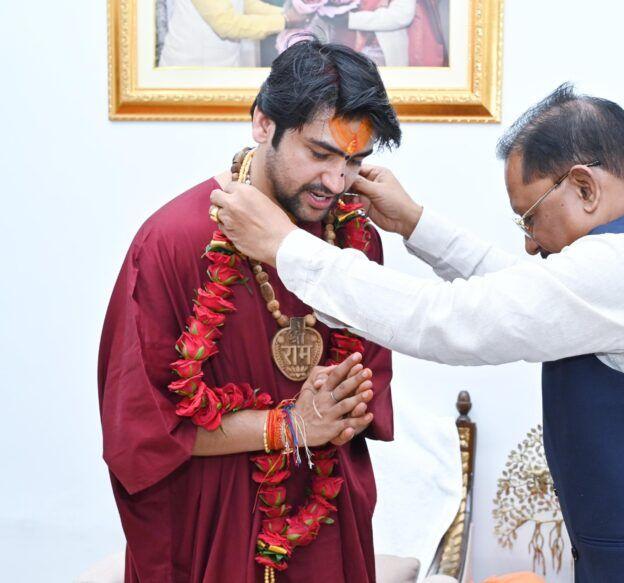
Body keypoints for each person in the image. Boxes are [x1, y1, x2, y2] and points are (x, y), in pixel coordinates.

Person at [211, 84, 624, 582]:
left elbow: (452, 320)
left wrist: (287, 247)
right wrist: (416, 225)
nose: (529, 243)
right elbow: (526, 294)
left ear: (584, 186)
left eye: (530, 219)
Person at [99, 40, 401, 582]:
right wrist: (287, 426)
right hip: (213, 524)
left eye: (353, 161)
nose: (335, 182)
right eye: (319, 153)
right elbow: (140, 433)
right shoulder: (173, 242)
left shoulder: (356, 240)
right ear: (263, 123)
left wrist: (345, 411)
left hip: (327, 519)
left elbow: (369, 389)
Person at [159, 0, 311, 67]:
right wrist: (285, 20)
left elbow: (246, 4)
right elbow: (227, 25)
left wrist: (287, 13)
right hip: (189, 68)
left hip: (223, 63)